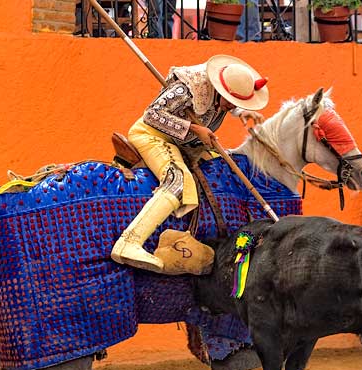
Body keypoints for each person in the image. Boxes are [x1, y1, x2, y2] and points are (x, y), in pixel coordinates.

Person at [111, 55, 269, 272]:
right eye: (232, 102)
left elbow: (224, 104)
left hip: (188, 145)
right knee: (178, 182)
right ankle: (129, 242)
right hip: (153, 135)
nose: (231, 106)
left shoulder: (221, 96)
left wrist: (243, 111)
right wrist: (195, 129)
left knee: (220, 172)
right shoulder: (186, 89)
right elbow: (152, 115)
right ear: (218, 89)